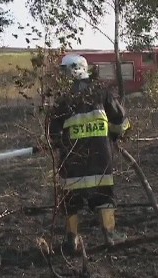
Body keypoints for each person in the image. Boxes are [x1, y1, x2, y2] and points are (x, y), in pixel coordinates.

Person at [46, 54, 130, 255]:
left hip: (71, 160)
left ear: (72, 70)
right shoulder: (101, 91)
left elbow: (54, 133)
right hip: (100, 159)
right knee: (103, 197)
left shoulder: (62, 99)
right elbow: (120, 121)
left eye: (64, 71)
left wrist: (57, 144)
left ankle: (71, 241)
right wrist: (115, 136)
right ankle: (110, 235)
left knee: (70, 201)